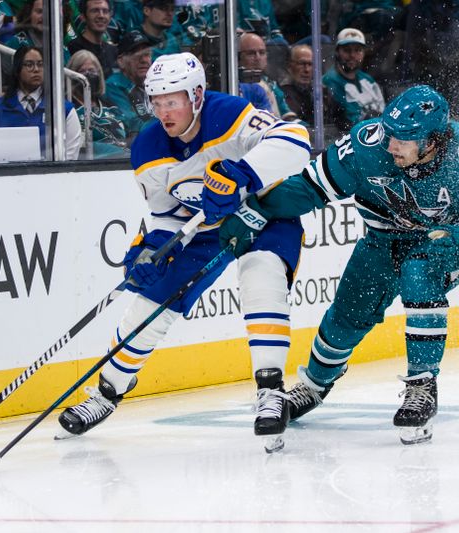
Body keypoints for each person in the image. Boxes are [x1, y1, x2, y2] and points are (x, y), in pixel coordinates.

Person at [218, 85, 459, 445]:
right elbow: (309, 189)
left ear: (432, 141)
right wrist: (255, 210)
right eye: (391, 134)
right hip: (382, 241)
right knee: (347, 314)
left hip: (444, 242)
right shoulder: (367, 144)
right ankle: (314, 386)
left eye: (404, 139)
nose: (391, 145)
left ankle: (422, 386)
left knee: (420, 272)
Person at [57, 52, 311, 452]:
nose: (163, 111)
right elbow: (169, 215)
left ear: (196, 95)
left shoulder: (227, 113)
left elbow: (296, 141)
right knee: (150, 302)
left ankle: (270, 391)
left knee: (262, 277)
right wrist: (153, 247)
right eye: (156, 102)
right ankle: (107, 394)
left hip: (263, 212)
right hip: (204, 231)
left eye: (171, 101)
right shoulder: (148, 148)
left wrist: (241, 173)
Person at [0, 46, 82, 160]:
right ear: (17, 70)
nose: (36, 69)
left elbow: (70, 158)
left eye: (40, 64)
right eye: (29, 65)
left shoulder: (64, 109)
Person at [67, 50, 129, 159]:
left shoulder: (110, 105)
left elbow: (129, 133)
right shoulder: (69, 108)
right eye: (82, 71)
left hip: (124, 162)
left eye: (91, 70)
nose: (88, 75)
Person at [322, 27, 385, 133]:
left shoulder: (368, 80)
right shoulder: (329, 81)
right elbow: (347, 121)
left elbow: (383, 110)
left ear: (364, 53)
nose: (352, 55)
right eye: (347, 50)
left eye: (358, 50)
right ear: (337, 52)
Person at [105, 30, 154, 140]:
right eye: (137, 55)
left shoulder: (153, 82)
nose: (143, 60)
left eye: (147, 54)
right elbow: (132, 124)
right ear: (121, 61)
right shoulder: (113, 85)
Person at [238, 32, 296, 121]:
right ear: (238, 57)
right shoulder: (234, 85)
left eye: (262, 52)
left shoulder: (271, 83)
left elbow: (287, 116)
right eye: (251, 53)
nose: (257, 58)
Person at [68, 0, 118, 76]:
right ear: (83, 17)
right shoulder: (73, 48)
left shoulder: (113, 51)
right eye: (95, 11)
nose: (101, 16)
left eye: (105, 11)